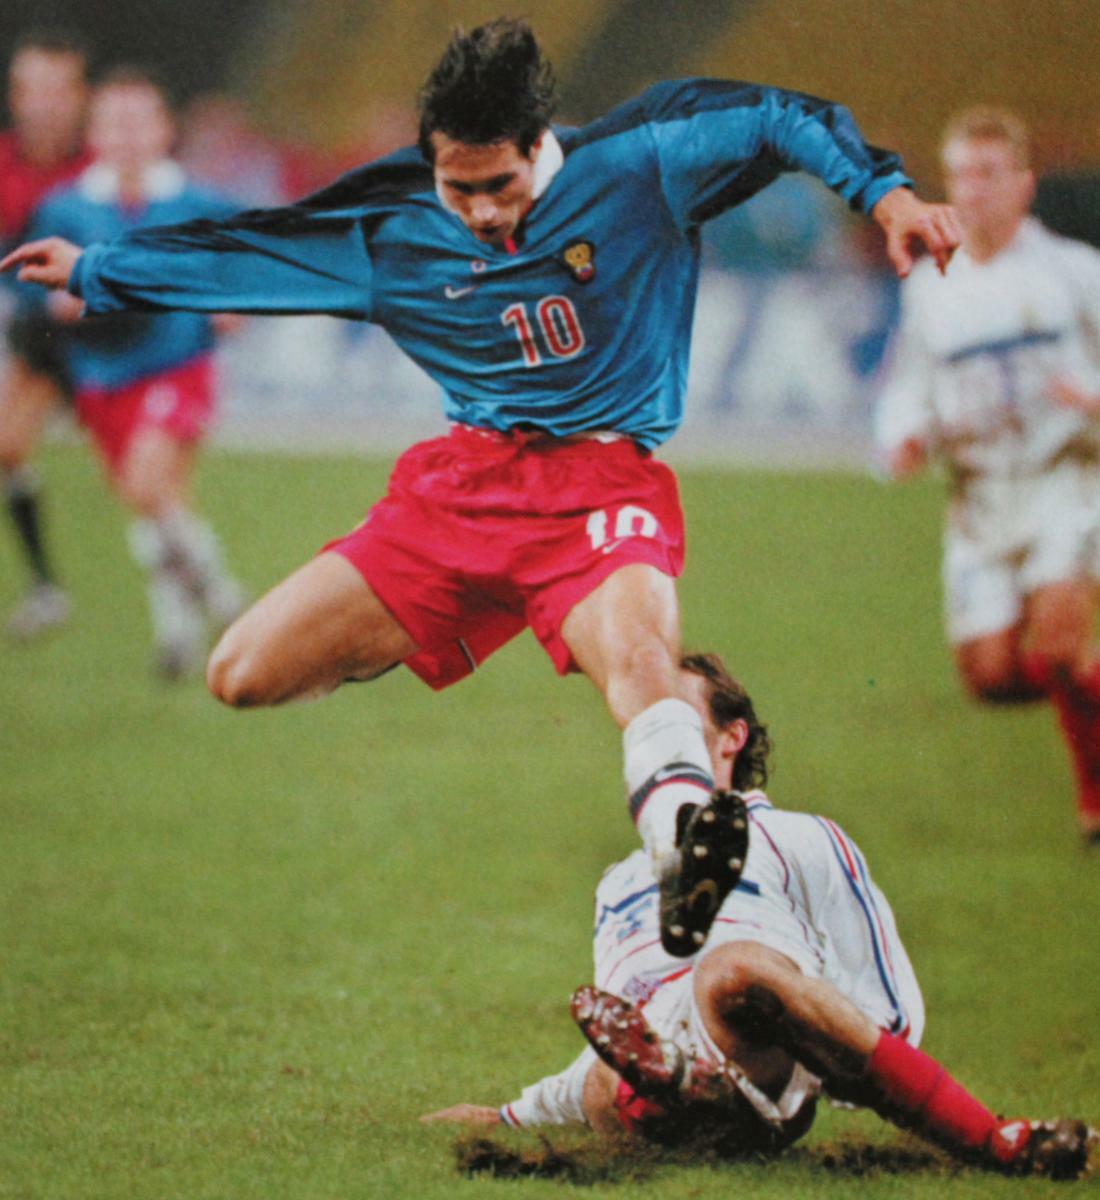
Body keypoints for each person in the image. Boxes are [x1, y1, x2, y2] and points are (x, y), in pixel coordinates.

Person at [1, 19, 961, 950]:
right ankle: (458, 633)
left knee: (636, 660)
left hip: (601, 486)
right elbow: (256, 249)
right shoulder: (396, 227)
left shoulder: (640, 165)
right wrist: (99, 269)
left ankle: (688, 854)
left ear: (540, 145)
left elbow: (780, 118)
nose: (483, 211)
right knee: (240, 675)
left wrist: (887, 197)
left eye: (499, 185)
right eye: (460, 190)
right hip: (459, 494)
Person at [423, 652, 1094, 1181]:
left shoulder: (802, 837)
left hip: (754, 1039)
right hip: (648, 1065)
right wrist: (511, 1114)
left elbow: (879, 997)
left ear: (731, 737)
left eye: (680, 719)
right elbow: (615, 1020)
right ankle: (686, 1085)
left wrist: (854, 1071)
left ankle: (996, 1140)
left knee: (730, 969)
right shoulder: (619, 883)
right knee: (606, 1066)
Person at [875, 107, 1100, 844]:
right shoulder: (931, 282)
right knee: (993, 677)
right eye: (960, 175)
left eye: (988, 174)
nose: (971, 190)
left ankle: (1094, 800)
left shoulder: (1075, 271)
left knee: (1060, 642)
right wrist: (905, 434)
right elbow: (909, 383)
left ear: (1024, 185)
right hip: (978, 497)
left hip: (1064, 477)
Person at [22, 67, 247, 677]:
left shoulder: (198, 202)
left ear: (164, 130)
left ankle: (222, 598)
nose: (126, 135)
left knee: (150, 485)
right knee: (158, 504)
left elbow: (249, 258)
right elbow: (29, 283)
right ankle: (181, 630)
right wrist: (54, 301)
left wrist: (235, 301)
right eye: (113, 122)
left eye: (138, 121)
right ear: (93, 132)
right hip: (100, 375)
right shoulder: (65, 207)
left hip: (178, 362)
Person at [0, 28, 90, 638]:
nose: (45, 104)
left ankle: (203, 590)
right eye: (33, 89)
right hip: (40, 340)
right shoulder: (6, 165)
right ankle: (46, 589)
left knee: (142, 482)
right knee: (8, 447)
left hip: (112, 341)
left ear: (79, 97)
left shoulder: (103, 166)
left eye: (57, 89)